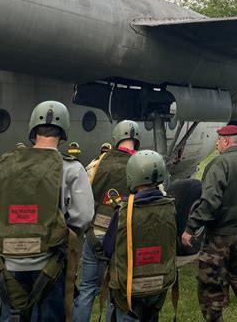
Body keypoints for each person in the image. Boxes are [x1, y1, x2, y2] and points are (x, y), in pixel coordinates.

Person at [0, 100, 94, 322]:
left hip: (7, 263)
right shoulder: (71, 168)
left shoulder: (8, 163)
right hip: (50, 263)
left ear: (33, 129)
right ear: (64, 130)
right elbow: (83, 217)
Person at [182, 124, 237, 322]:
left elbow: (210, 201)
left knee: (210, 286)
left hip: (219, 237)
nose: (217, 144)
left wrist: (190, 228)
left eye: (219, 140)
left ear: (227, 141)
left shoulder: (219, 164)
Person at [73, 121, 141, 322]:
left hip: (95, 235)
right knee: (117, 291)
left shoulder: (97, 163)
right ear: (137, 140)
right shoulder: (141, 165)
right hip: (123, 238)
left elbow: (84, 197)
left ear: (116, 138)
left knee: (87, 288)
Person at [103, 150, 177, 321]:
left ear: (132, 176)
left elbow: (107, 248)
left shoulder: (123, 212)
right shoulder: (170, 207)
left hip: (128, 288)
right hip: (158, 284)